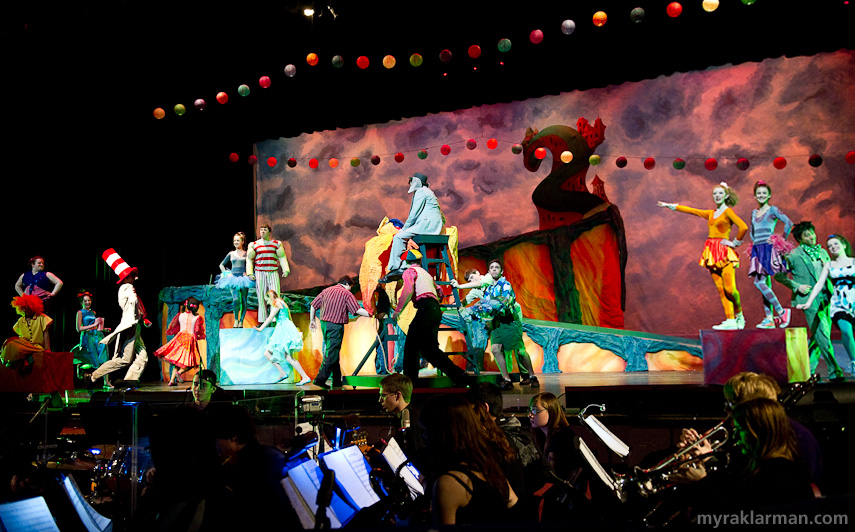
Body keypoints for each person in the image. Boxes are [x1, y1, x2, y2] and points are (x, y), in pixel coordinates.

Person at [658, 182, 749, 330]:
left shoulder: (728, 212)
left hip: (724, 252)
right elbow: (693, 211)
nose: (717, 196)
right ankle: (730, 319)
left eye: (720, 193)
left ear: (726, 196)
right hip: (711, 252)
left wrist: (735, 242)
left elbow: (743, 226)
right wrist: (672, 206)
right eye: (715, 194)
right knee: (720, 289)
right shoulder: (711, 213)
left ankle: (739, 314)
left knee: (730, 289)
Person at [419, 395, 518, 526]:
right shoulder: (490, 469)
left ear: (443, 433)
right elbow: (515, 509)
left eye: (427, 430)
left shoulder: (449, 483)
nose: (424, 436)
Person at [775, 222, 844, 380]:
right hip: (809, 299)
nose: (812, 236)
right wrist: (796, 286)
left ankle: (805, 370)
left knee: (818, 336)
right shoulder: (793, 255)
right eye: (807, 235)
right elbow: (779, 276)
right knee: (823, 335)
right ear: (799, 238)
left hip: (827, 297)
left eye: (812, 233)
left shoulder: (823, 252)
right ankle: (835, 371)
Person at [453, 261, 538, 390]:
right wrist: (460, 305)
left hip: (510, 318)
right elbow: (476, 302)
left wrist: (459, 286)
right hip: (496, 320)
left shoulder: (496, 282)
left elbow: (502, 302)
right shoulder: (485, 289)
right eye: (491, 268)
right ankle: (507, 378)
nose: (493, 270)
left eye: (496, 268)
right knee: (496, 349)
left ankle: (529, 375)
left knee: (519, 349)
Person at [392, 250, 467, 387]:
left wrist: (398, 310)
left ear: (406, 262)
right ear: (420, 261)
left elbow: (408, 290)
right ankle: (460, 377)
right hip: (434, 310)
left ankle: (409, 383)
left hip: (425, 309)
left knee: (411, 347)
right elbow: (440, 291)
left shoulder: (410, 272)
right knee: (431, 351)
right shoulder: (425, 274)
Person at [797, 234, 855, 379]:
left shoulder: (853, 261)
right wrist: (809, 302)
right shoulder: (828, 265)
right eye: (829, 246)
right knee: (846, 332)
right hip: (839, 303)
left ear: (844, 245)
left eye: (835, 244)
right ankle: (854, 361)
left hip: (853, 299)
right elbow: (818, 285)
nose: (833, 248)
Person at [90, 249, 150, 384]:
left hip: (135, 325)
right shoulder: (127, 287)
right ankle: (93, 376)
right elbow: (134, 300)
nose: (134, 278)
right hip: (131, 326)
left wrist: (142, 317)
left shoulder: (124, 288)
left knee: (143, 357)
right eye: (132, 275)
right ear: (127, 278)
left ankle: (130, 380)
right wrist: (138, 311)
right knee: (125, 360)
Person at [310, 275, 371, 388]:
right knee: (331, 353)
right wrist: (371, 314)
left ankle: (337, 380)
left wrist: (312, 320)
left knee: (333, 352)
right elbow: (357, 309)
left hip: (325, 324)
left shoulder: (326, 290)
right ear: (347, 284)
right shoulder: (346, 293)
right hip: (335, 325)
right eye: (351, 287)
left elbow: (313, 305)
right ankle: (320, 379)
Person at [747, 181, 793, 328]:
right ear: (755, 196)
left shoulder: (772, 209)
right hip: (757, 249)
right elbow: (752, 230)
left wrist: (780, 241)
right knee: (764, 284)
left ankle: (781, 311)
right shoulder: (754, 212)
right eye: (758, 193)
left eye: (764, 193)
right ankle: (769, 318)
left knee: (759, 283)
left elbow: (789, 223)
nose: (761, 195)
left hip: (768, 248)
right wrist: (754, 242)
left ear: (769, 195)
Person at [383, 172, 445, 279]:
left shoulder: (421, 191)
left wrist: (404, 229)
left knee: (398, 237)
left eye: (411, 181)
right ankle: (404, 265)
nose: (410, 184)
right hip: (433, 225)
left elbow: (414, 214)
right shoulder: (429, 192)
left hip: (427, 225)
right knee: (407, 240)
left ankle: (396, 268)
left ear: (416, 182)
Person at [254, 290, 311, 385]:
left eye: (267, 300)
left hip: (283, 329)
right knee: (270, 353)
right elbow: (288, 317)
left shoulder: (276, 303)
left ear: (270, 298)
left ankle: (304, 377)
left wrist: (260, 328)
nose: (268, 303)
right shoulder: (283, 303)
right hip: (285, 328)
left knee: (287, 356)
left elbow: (269, 318)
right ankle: (282, 373)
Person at [155, 298, 205, 386]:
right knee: (191, 363)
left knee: (177, 362)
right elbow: (197, 330)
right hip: (189, 340)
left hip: (179, 338)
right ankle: (179, 373)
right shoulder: (197, 317)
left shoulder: (180, 315)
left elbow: (173, 325)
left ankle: (172, 381)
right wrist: (200, 336)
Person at [246, 224, 290, 323]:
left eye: (265, 230)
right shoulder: (254, 244)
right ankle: (262, 319)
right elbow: (249, 259)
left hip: (272, 271)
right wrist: (250, 272)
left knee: (275, 295)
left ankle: (275, 317)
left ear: (269, 232)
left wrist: (285, 269)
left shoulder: (276, 243)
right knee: (261, 295)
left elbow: (282, 257)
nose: (262, 231)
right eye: (261, 230)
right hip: (260, 272)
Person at [1, 295, 51, 374]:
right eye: (22, 307)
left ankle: (26, 358)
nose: (24, 309)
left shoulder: (42, 318)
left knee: (20, 349)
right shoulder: (21, 320)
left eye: (26, 307)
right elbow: (20, 336)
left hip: (36, 346)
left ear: (33, 306)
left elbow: (46, 334)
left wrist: (48, 349)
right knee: (9, 342)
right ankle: (7, 360)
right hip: (25, 344)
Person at [217, 232, 254, 328]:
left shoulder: (246, 254)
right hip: (233, 278)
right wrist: (225, 273)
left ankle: (241, 321)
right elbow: (221, 264)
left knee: (244, 300)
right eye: (234, 240)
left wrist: (248, 272)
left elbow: (250, 264)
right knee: (236, 299)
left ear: (242, 242)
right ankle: (236, 320)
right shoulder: (231, 253)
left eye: (238, 240)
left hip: (243, 279)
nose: (236, 242)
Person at [72, 290, 108, 376]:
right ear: (81, 302)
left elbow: (94, 326)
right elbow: (79, 328)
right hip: (87, 337)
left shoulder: (93, 312)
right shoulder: (80, 312)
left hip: (96, 336)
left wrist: (104, 329)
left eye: (89, 300)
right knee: (93, 359)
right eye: (85, 301)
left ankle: (106, 382)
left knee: (102, 358)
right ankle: (81, 367)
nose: (88, 302)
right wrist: (94, 325)